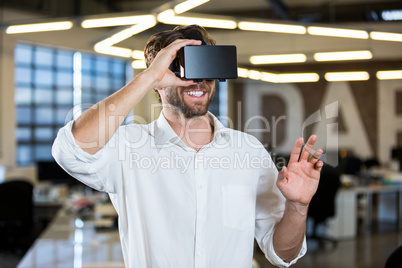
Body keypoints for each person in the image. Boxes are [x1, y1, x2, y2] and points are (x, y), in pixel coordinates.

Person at [52, 25, 323, 268]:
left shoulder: (248, 151)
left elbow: (283, 254)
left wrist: (298, 206)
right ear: (158, 83)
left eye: (207, 68)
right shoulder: (128, 147)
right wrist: (148, 77)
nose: (198, 80)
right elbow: (70, 151)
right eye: (183, 69)